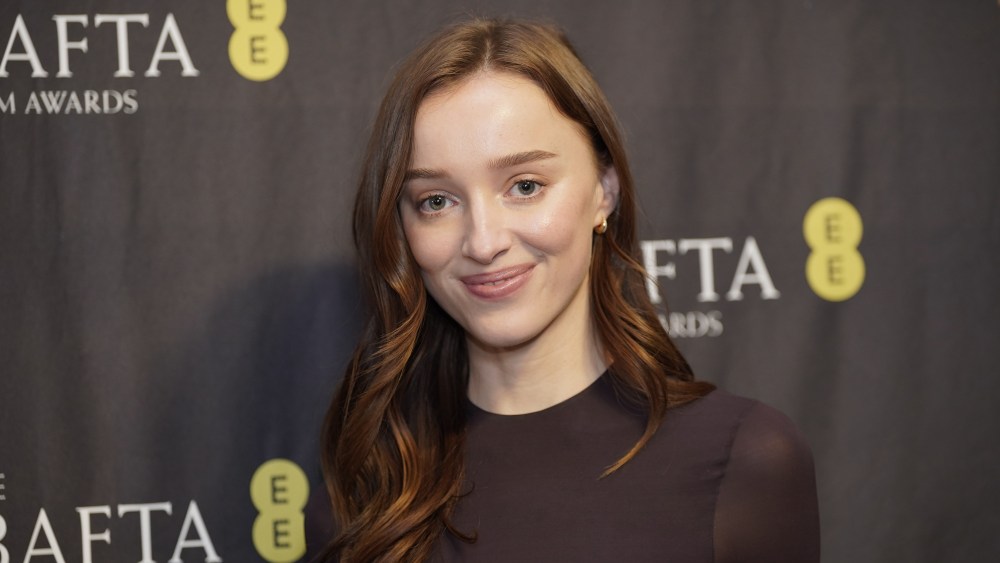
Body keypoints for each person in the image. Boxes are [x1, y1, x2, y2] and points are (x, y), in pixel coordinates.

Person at [315, 17, 820, 563]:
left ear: (605, 192)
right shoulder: (367, 487)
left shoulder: (743, 459)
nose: (483, 242)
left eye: (525, 186)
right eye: (436, 200)